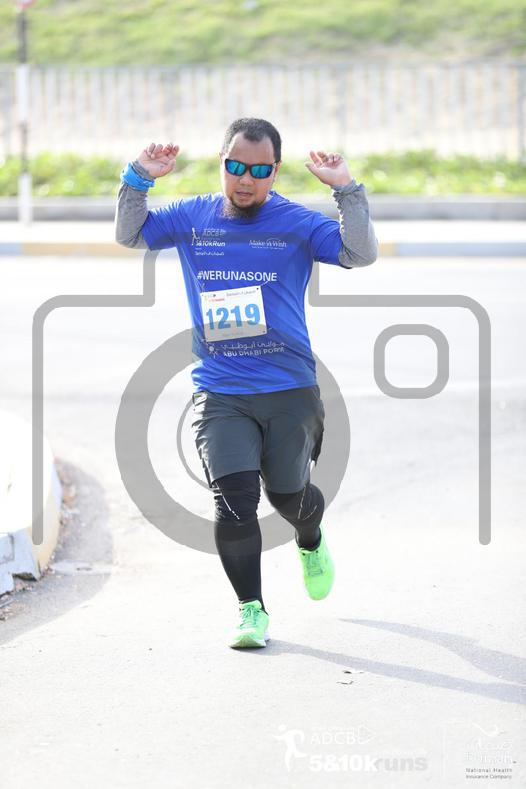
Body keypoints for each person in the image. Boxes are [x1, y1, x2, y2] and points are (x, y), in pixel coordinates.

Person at [115, 117, 378, 649]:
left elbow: (359, 252)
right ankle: (250, 610)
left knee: (288, 497)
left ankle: (310, 538)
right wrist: (138, 178)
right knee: (233, 502)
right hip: (221, 391)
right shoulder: (194, 217)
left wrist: (347, 190)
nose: (245, 179)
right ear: (222, 162)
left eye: (259, 170)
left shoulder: (295, 222)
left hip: (288, 388)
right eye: (236, 166)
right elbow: (131, 233)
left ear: (275, 171)